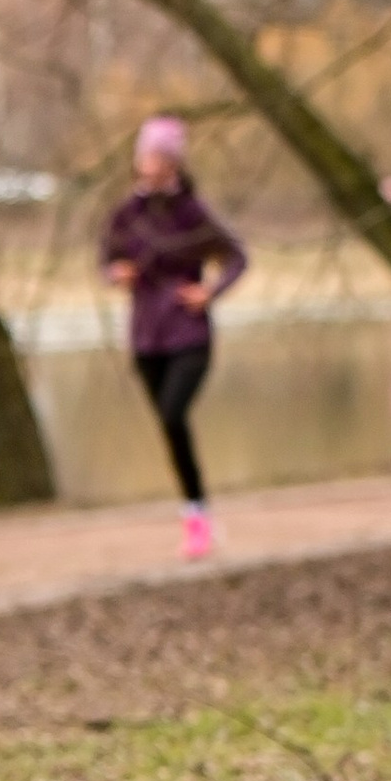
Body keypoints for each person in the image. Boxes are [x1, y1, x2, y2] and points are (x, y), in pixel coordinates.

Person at [102, 115, 247, 557]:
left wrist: (210, 292)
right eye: (147, 156)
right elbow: (106, 259)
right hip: (146, 335)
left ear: (175, 163)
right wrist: (117, 273)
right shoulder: (127, 215)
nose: (152, 165)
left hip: (188, 332)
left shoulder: (193, 214)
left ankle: (196, 517)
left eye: (161, 157)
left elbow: (236, 257)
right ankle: (197, 512)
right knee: (171, 427)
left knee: (172, 414)